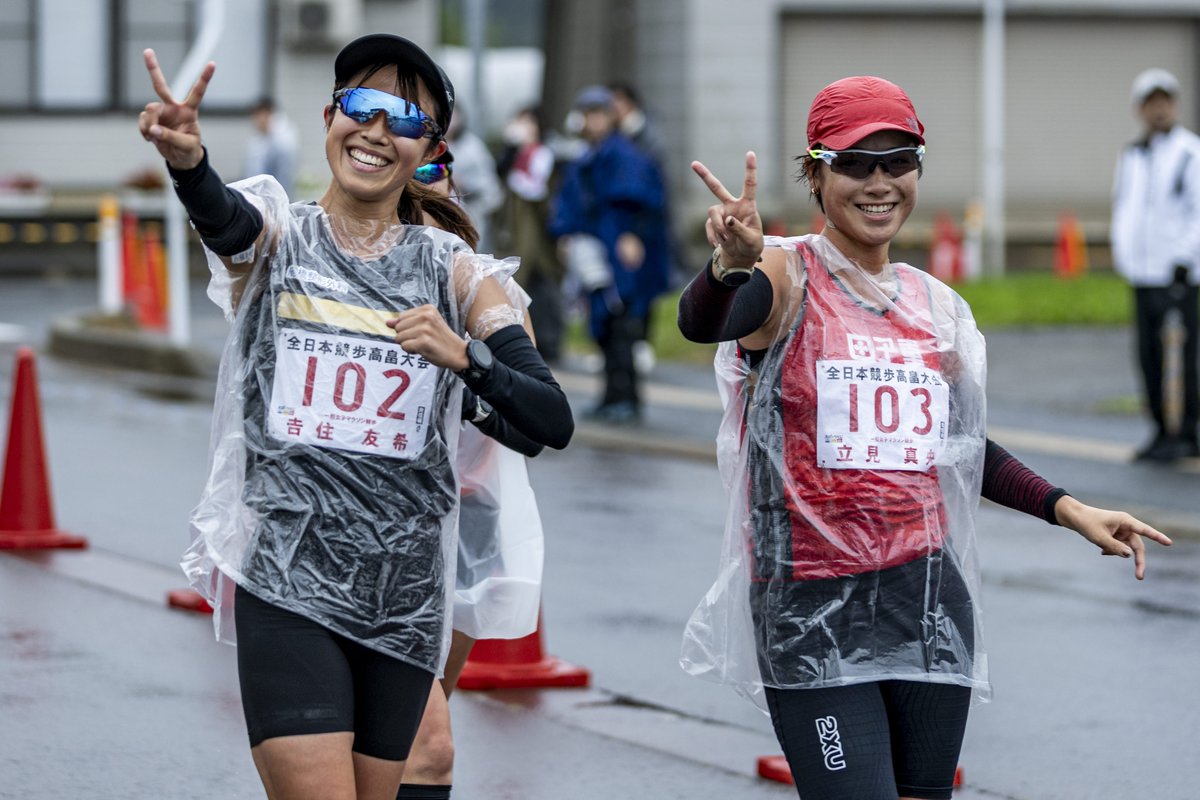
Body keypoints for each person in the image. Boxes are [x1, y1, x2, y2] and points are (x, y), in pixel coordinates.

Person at [676, 75, 1172, 800]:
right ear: (815, 174)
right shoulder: (785, 274)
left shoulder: (934, 306)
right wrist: (731, 265)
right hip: (809, 602)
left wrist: (1070, 509)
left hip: (928, 595)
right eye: (853, 163)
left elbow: (959, 446)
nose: (878, 183)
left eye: (897, 161)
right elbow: (705, 320)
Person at [138, 33, 572, 799]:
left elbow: (548, 421)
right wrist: (187, 166)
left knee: (421, 770)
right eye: (362, 106)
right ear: (332, 114)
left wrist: (469, 359)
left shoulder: (459, 272)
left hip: (405, 600)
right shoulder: (279, 236)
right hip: (287, 580)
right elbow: (225, 220)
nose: (376, 131)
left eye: (406, 121)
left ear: (429, 148)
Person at [398, 151, 547, 800]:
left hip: (464, 520)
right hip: (376, 523)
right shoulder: (349, 273)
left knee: (414, 729)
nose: (423, 180)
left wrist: (471, 364)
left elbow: (536, 415)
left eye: (436, 167)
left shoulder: (495, 293)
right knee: (424, 744)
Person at [549, 85, 671, 423]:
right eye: (588, 114)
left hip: (619, 249)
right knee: (603, 326)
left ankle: (626, 398)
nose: (593, 121)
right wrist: (565, 235)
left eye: (599, 113)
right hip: (593, 251)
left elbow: (645, 201)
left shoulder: (625, 155)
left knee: (622, 325)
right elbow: (569, 203)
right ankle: (610, 396)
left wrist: (633, 234)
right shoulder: (586, 156)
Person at [1111, 67, 1200, 461]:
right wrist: (1124, 255)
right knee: (1148, 355)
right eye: (1151, 102)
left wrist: (1185, 258)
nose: (1159, 109)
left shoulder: (1189, 152)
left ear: (1174, 104)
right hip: (1142, 274)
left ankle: (1187, 431)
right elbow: (1125, 207)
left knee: (1182, 355)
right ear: (1139, 109)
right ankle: (1162, 430)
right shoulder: (1132, 155)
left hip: (1177, 274)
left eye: (1165, 100)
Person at [496, 105, 565, 363]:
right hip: (516, 231)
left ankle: (549, 341)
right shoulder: (514, 155)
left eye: (528, 121)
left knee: (543, 285)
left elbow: (542, 194)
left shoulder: (545, 155)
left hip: (540, 234)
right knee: (519, 283)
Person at [445, 108, 504, 252]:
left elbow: (489, 184)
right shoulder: (428, 144)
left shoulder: (473, 147)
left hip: (471, 210)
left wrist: (464, 183)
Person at [243, 96, 299, 196]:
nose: (256, 120)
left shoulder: (282, 140)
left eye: (258, 115)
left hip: (275, 198)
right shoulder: (260, 137)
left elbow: (284, 175)